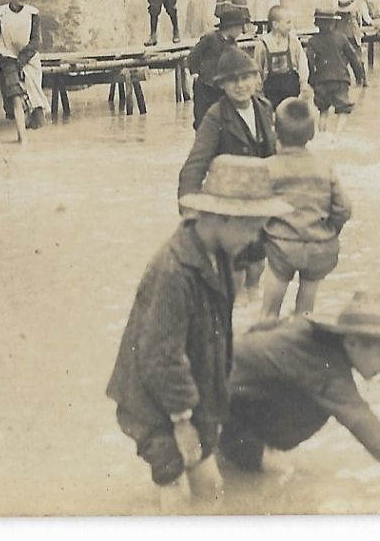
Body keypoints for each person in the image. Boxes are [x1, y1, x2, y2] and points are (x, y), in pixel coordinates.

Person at [106, 154, 291, 512]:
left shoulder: (218, 257)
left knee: (211, 489)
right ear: (223, 218)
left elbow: (215, 338)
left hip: (189, 396)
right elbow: (161, 357)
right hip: (152, 402)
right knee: (175, 487)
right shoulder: (173, 270)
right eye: (253, 228)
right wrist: (182, 423)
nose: (255, 239)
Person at [221, 293, 380, 509]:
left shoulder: (310, 334)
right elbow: (364, 423)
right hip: (217, 411)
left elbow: (260, 329)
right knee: (284, 477)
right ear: (353, 343)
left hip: (224, 393)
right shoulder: (325, 368)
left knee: (310, 418)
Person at [178, 46, 279, 302]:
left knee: (258, 263)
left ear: (257, 79)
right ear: (221, 85)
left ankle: (252, 307)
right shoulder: (216, 116)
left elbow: (277, 156)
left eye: (246, 78)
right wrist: (189, 210)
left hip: (258, 204)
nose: (240, 85)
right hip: (228, 206)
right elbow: (196, 162)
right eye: (232, 80)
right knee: (234, 269)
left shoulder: (265, 108)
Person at [260, 98, 351, 318]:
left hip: (282, 246)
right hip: (319, 247)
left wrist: (266, 230)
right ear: (311, 135)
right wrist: (328, 231)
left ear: (275, 132)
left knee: (269, 313)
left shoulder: (268, 167)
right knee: (305, 314)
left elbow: (257, 207)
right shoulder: (325, 167)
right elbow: (344, 208)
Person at [0, 0, 46, 137]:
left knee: (32, 96)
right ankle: (21, 137)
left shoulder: (33, 13)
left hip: (29, 58)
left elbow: (36, 41)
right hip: (7, 57)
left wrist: (22, 60)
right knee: (15, 95)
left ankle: (27, 125)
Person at [306, 6, 366, 136]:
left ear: (316, 23)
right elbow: (354, 58)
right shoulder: (341, 38)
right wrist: (359, 76)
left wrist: (312, 79)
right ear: (334, 23)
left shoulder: (312, 41)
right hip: (340, 80)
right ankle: (337, 137)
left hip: (321, 80)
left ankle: (322, 136)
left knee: (323, 111)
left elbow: (309, 62)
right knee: (343, 109)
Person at [186, 5, 250, 129]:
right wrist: (195, 73)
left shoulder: (233, 44)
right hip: (205, 86)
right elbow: (193, 56)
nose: (241, 32)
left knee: (222, 120)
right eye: (239, 28)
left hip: (221, 87)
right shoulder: (210, 38)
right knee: (202, 120)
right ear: (231, 28)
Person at [251, 5, 308, 108]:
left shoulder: (294, 42)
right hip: (272, 91)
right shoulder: (263, 44)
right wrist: (259, 92)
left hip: (291, 88)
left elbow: (302, 64)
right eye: (287, 22)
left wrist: (303, 83)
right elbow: (257, 69)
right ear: (275, 25)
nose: (290, 26)